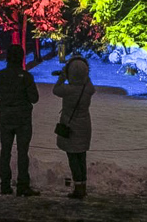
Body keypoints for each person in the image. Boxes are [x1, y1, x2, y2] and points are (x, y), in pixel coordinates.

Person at [0, 44, 40, 197]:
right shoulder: (26, 77)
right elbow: (34, 98)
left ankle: (5, 184)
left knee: (5, 151)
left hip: (6, 118)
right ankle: (23, 185)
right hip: (23, 119)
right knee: (23, 152)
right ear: (21, 58)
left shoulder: (0, 76)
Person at [53, 54, 96, 199]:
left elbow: (56, 89)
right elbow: (88, 82)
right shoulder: (88, 90)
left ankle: (78, 187)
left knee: (72, 158)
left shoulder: (68, 90)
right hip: (84, 126)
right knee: (82, 157)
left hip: (70, 126)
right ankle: (82, 185)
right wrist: (84, 74)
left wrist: (63, 76)